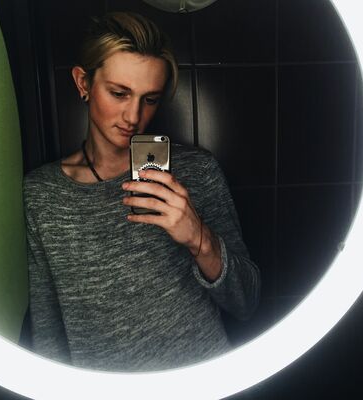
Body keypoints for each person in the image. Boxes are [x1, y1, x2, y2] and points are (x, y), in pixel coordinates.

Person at [23, 11, 260, 372]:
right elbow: (48, 334)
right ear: (83, 83)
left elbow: (247, 302)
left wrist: (199, 239)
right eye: (119, 93)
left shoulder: (196, 170)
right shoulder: (42, 195)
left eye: (149, 99)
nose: (133, 116)